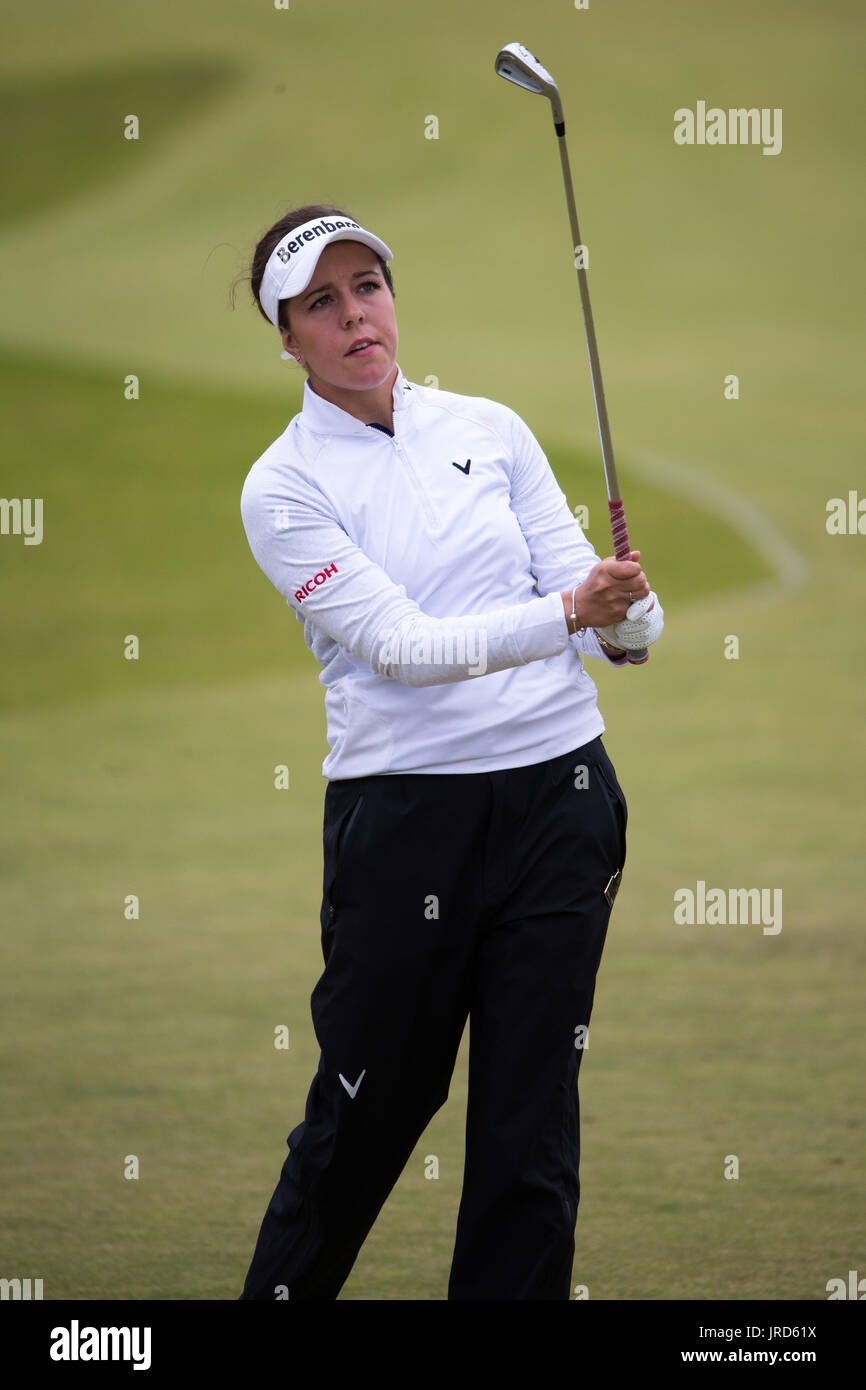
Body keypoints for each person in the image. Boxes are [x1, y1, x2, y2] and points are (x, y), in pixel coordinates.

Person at [235, 203, 664, 1301]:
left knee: (531, 1120)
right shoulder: (282, 487)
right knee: (370, 1107)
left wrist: (620, 611)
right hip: (405, 822)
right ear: (285, 337)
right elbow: (402, 649)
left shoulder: (490, 426)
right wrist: (571, 609)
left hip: (560, 799)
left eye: (365, 286)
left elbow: (625, 630)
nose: (352, 316)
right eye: (318, 304)